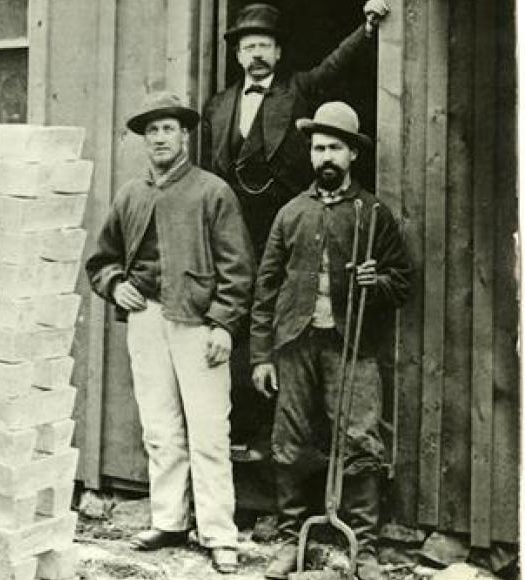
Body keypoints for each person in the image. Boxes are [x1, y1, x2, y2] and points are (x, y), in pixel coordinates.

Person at [200, 0, 390, 471]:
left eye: (264, 45)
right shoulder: (219, 105)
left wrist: (366, 29)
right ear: (238, 55)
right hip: (232, 235)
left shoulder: (299, 90)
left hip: (285, 232)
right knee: (235, 328)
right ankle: (237, 432)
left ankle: (275, 439)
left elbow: (334, 66)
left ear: (278, 53)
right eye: (248, 47)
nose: (257, 54)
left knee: (285, 333)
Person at [86, 92, 255, 574]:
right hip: (146, 320)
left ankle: (220, 533)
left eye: (168, 129)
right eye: (151, 131)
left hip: (198, 324)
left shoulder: (212, 192)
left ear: (185, 135)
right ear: (144, 140)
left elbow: (238, 269)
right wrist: (116, 285)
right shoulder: (131, 194)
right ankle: (169, 520)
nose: (160, 138)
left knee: (208, 432)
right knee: (159, 428)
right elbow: (102, 259)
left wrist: (224, 323)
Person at [249, 102, 411, 580]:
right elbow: (265, 288)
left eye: (335, 147)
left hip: (351, 344)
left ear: (352, 155)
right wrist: (261, 355)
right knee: (289, 441)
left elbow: (401, 282)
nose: (326, 155)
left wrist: (374, 281)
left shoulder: (373, 213)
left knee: (360, 439)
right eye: (319, 147)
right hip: (295, 343)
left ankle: (362, 545)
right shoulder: (291, 213)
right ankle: (288, 539)